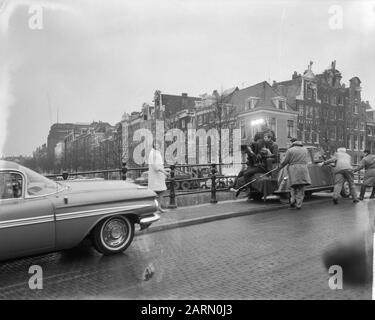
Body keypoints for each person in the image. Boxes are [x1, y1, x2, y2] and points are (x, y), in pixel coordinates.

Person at [279, 140, 311, 209]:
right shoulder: (305, 150)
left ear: (293, 144)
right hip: (303, 169)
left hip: (293, 169)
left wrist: (280, 166)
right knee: (301, 187)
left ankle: (292, 202)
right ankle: (299, 204)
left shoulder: (290, 150)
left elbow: (285, 161)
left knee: (293, 186)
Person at [148, 140, 169, 212]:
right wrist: (164, 172)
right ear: (153, 144)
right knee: (154, 193)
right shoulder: (152, 153)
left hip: (159, 176)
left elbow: (159, 165)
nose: (157, 145)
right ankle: (154, 209)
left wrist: (164, 172)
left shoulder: (157, 152)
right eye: (155, 144)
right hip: (155, 176)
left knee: (161, 192)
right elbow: (155, 167)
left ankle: (158, 208)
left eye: (158, 144)